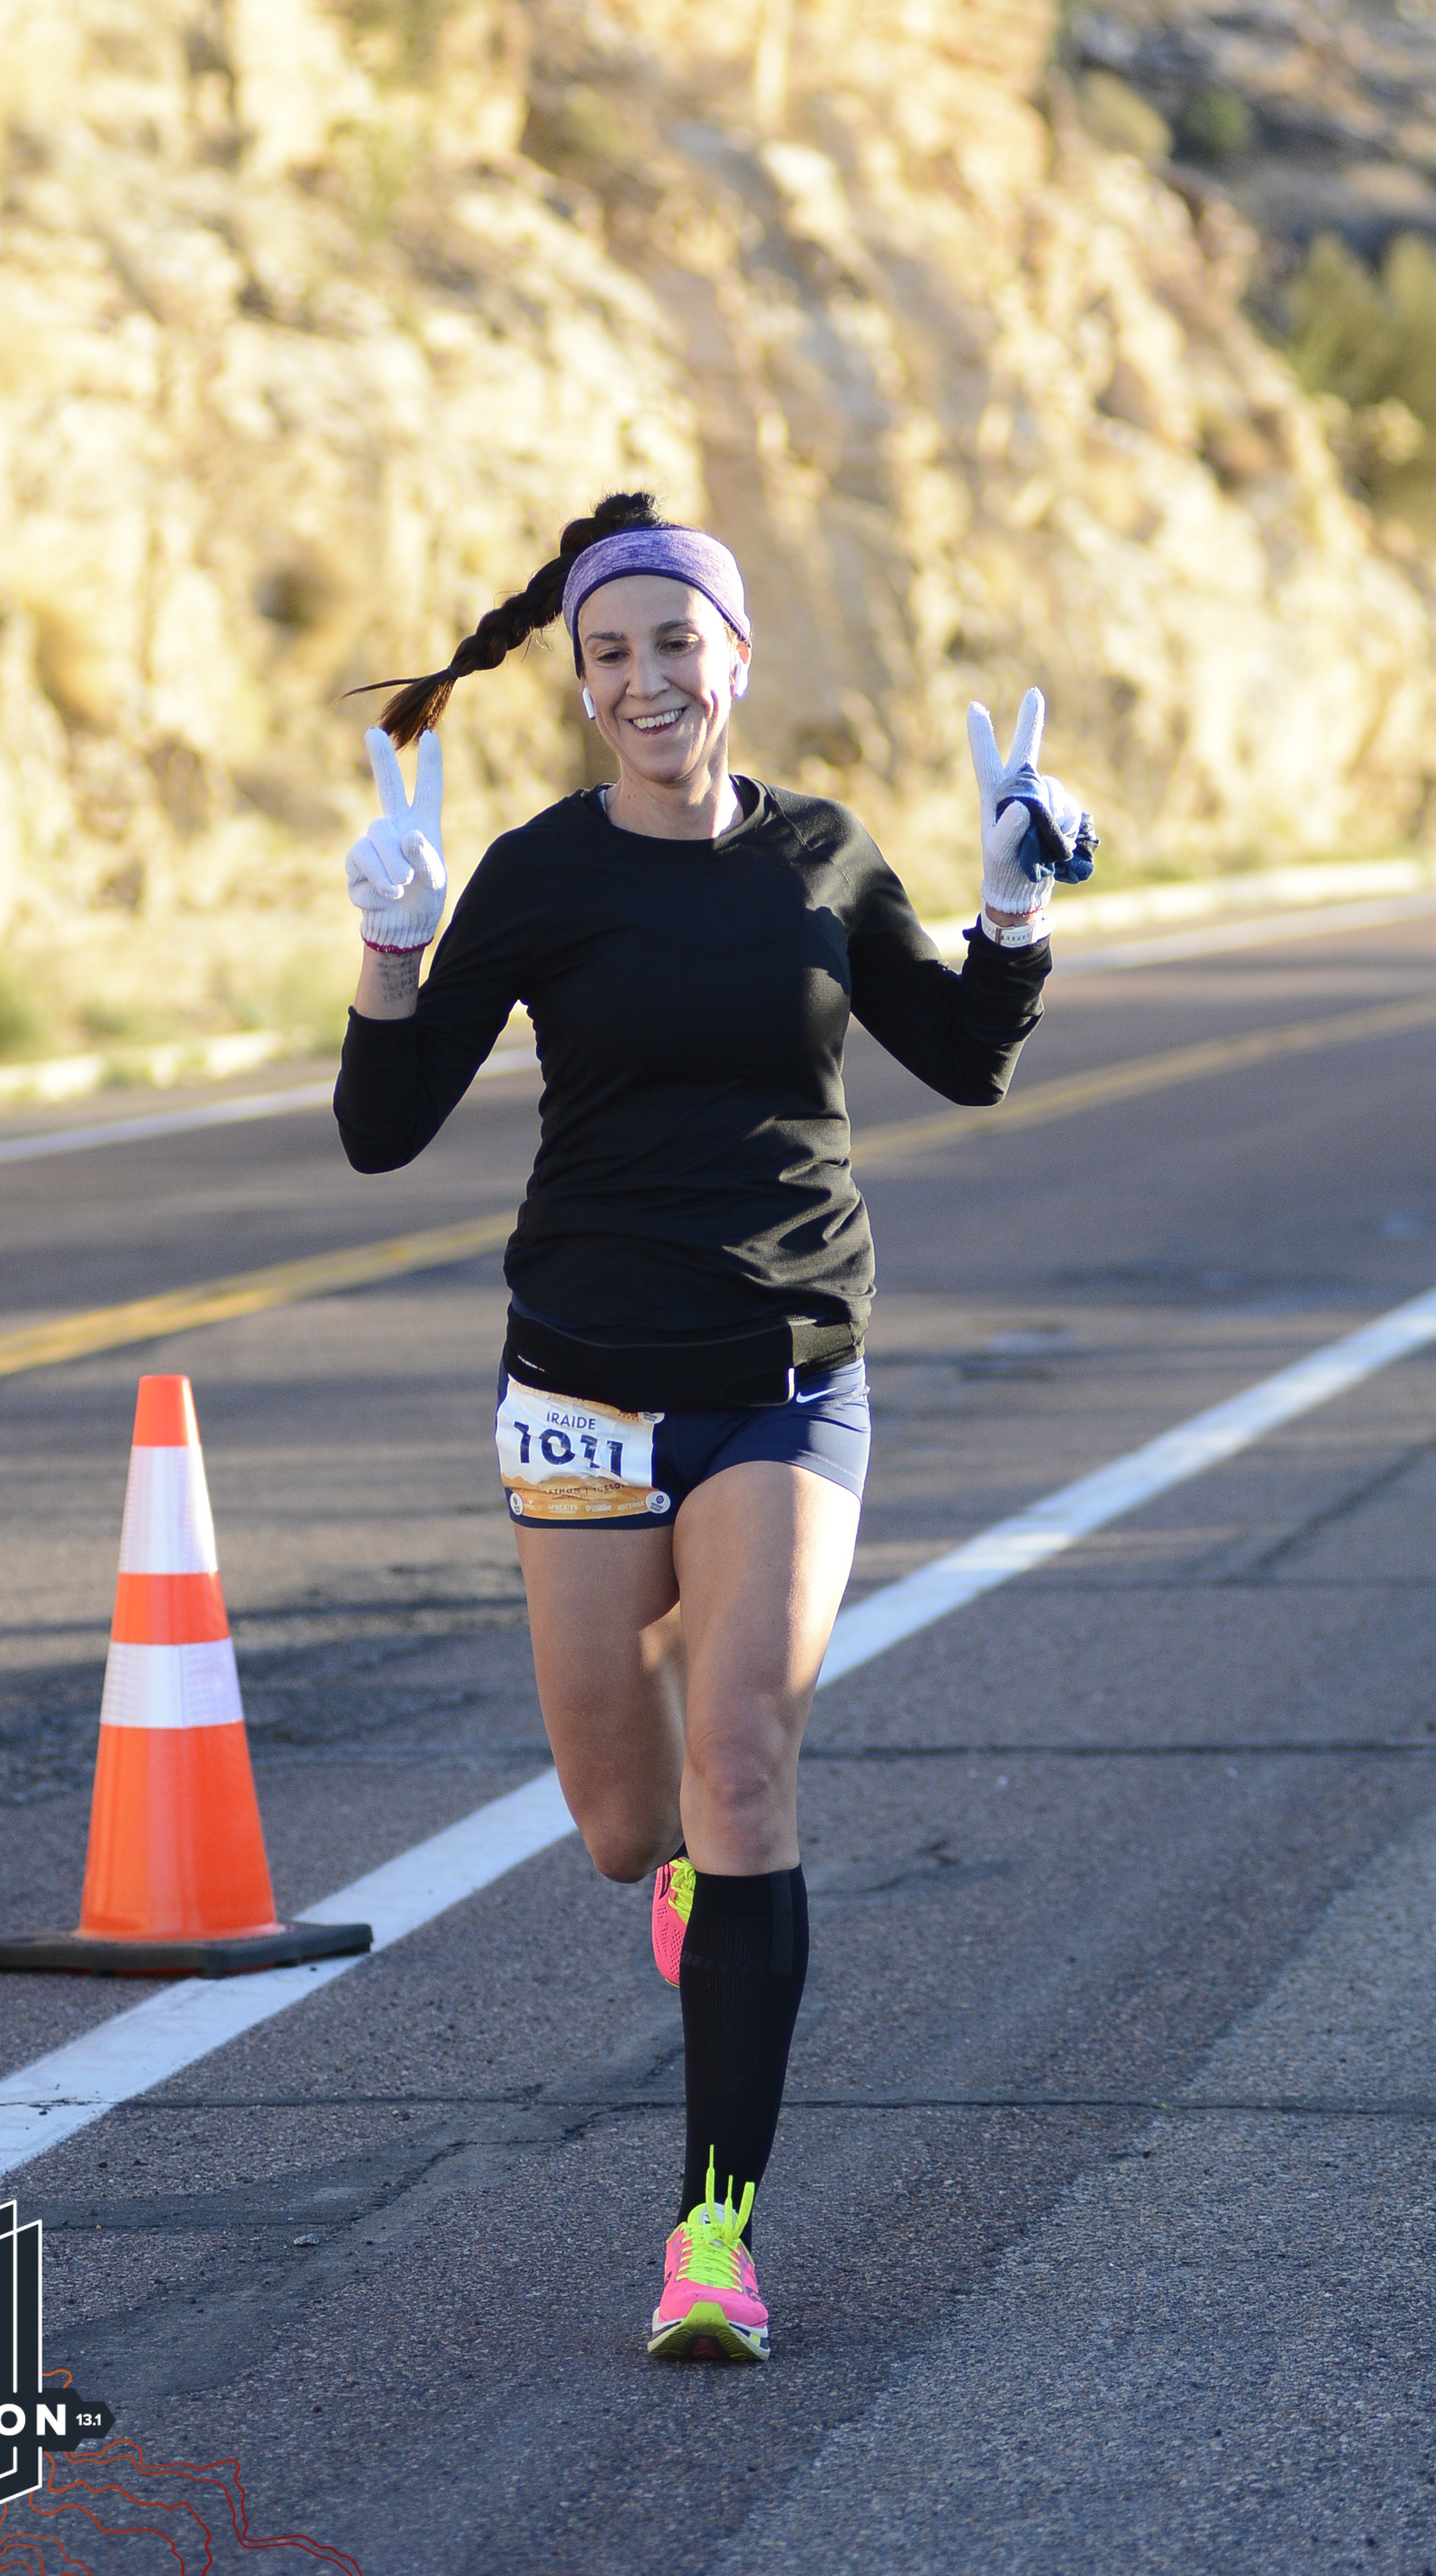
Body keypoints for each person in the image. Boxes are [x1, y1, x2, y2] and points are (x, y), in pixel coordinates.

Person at [333, 490, 1093, 2361]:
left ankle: (713, 2233)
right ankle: (693, 1881)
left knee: (741, 1761)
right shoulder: (539, 873)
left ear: (736, 657)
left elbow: (967, 1059)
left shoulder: (822, 855)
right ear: (583, 684)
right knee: (624, 1828)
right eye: (611, 654)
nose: (647, 678)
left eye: (677, 642)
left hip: (785, 1370)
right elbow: (384, 1128)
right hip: (582, 1380)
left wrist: (1010, 914)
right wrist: (391, 947)